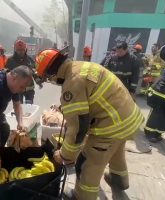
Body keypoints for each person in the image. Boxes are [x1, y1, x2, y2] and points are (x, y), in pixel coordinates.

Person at [35, 48, 144, 200]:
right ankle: (119, 180)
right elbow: (91, 99)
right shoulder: (82, 66)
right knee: (116, 150)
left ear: (51, 73)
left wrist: (65, 154)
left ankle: (82, 196)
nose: (50, 80)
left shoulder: (72, 83)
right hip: (129, 120)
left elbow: (79, 128)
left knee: (88, 164)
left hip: (111, 127)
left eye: (47, 77)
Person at [6, 39, 36, 104]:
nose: (21, 52)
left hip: (29, 88)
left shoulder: (30, 60)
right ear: (15, 50)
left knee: (29, 106)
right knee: (19, 106)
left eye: (22, 50)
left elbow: (34, 71)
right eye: (18, 50)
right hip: (17, 89)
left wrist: (38, 81)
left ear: (25, 49)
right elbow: (7, 74)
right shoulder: (10, 60)